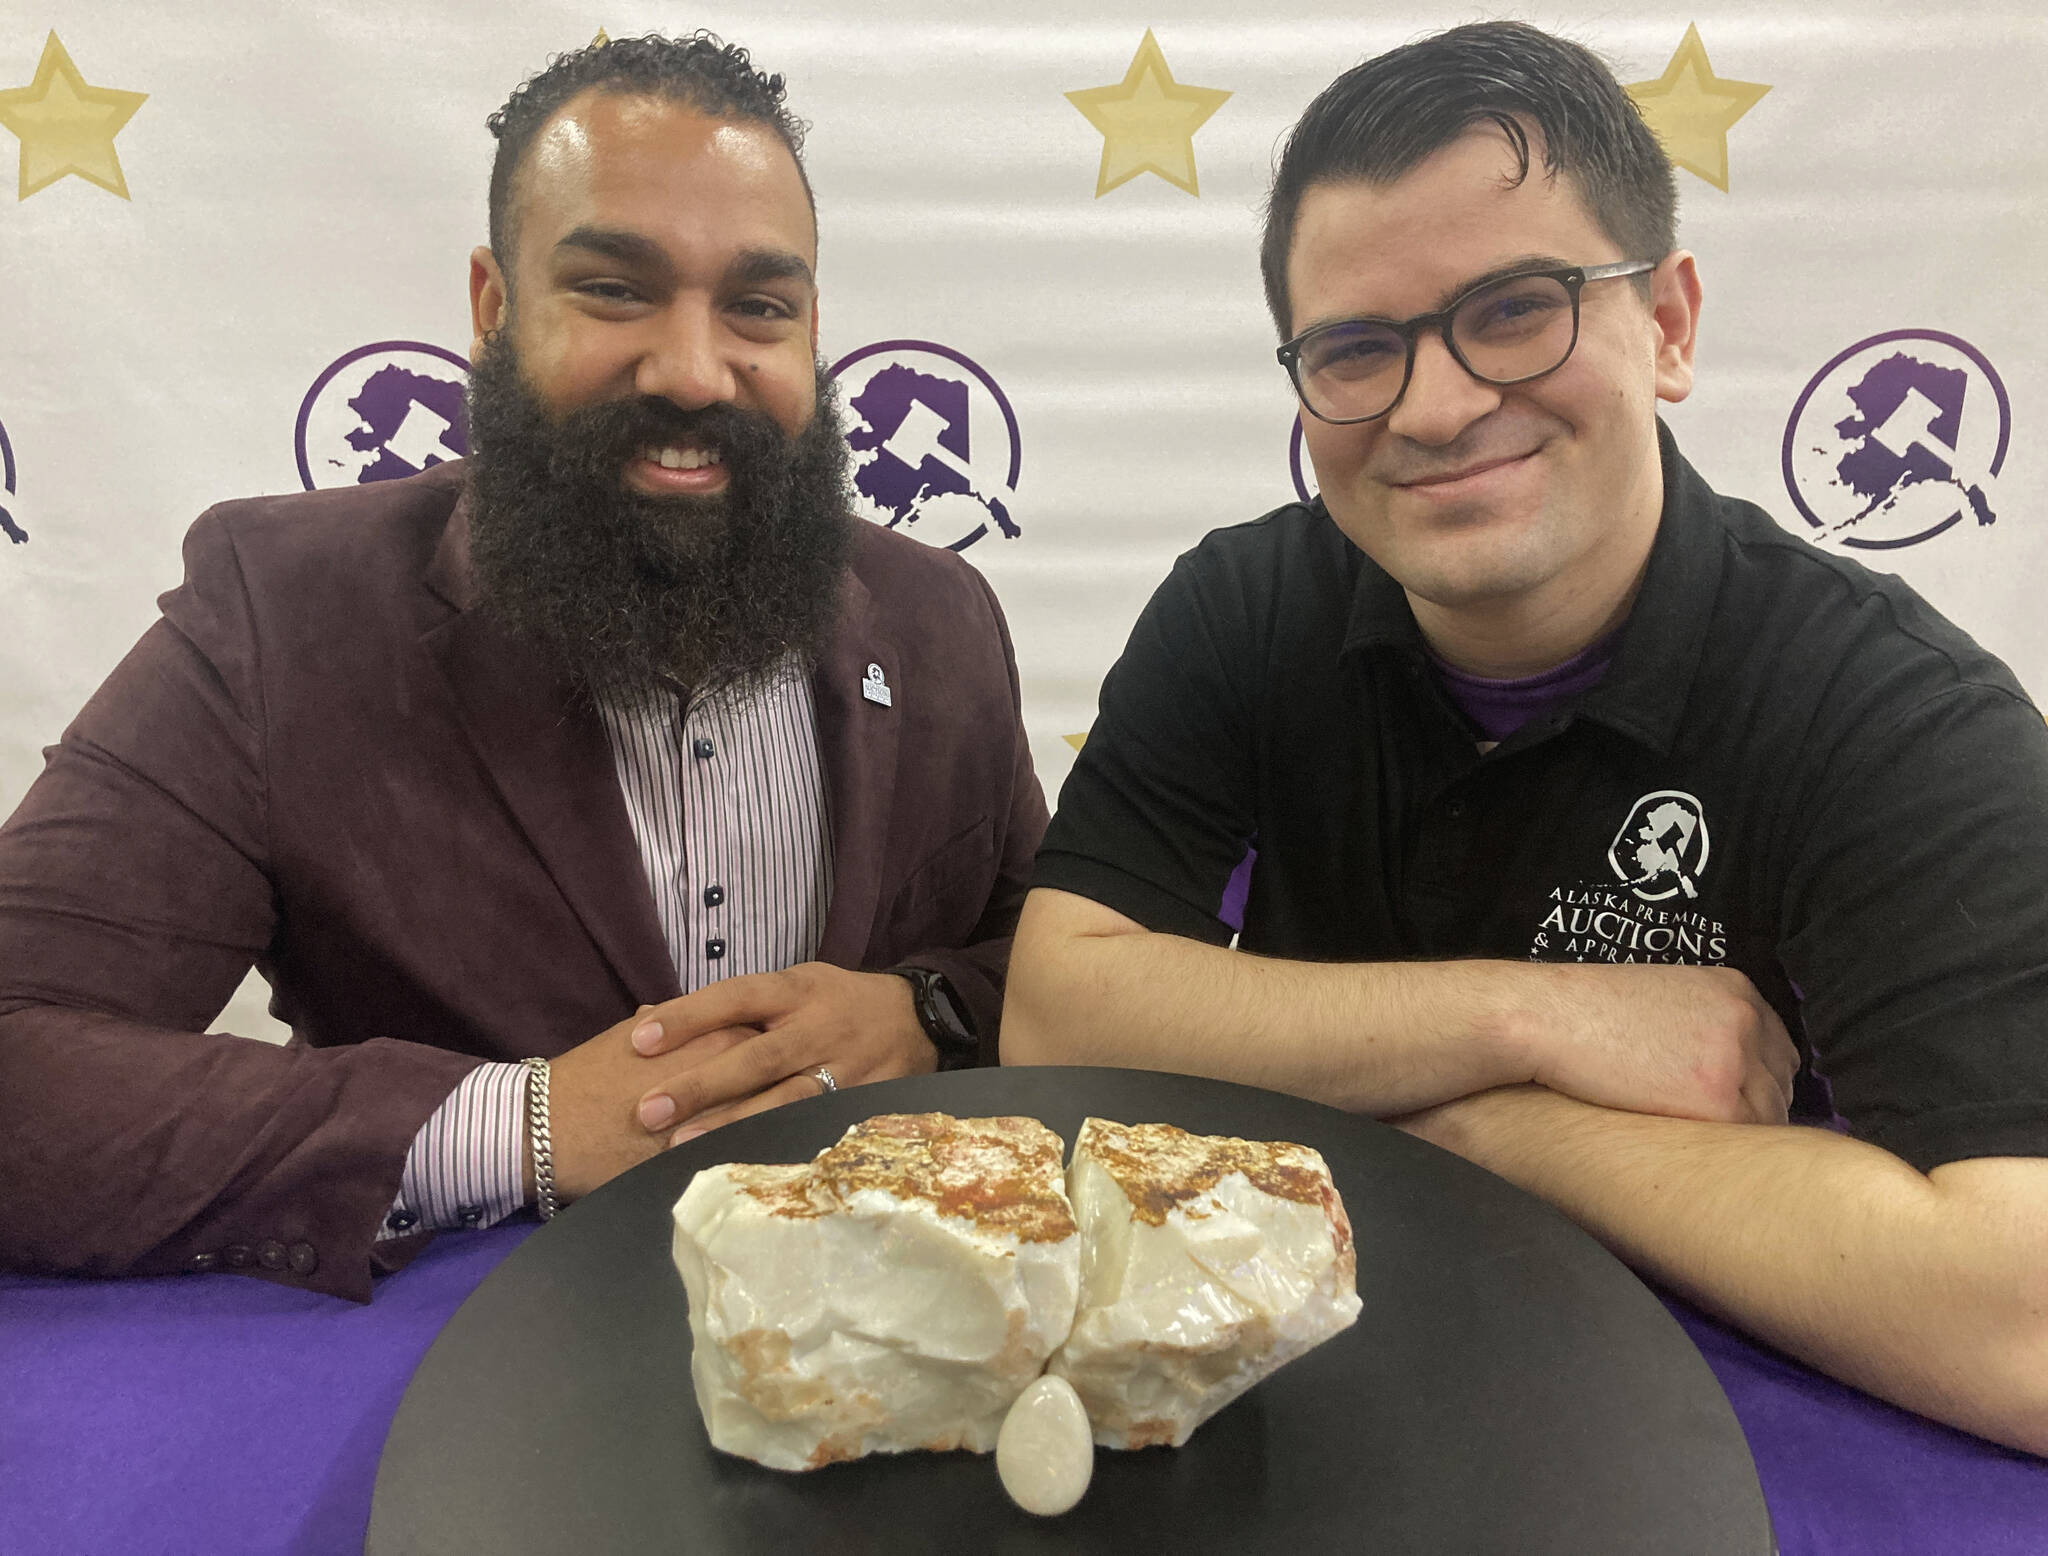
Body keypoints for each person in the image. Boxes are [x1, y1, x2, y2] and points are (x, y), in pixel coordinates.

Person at [1004, 21, 2048, 1455]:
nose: (1434, 407)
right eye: (1358, 349)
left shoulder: (1892, 712)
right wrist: (1536, 1018)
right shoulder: (1242, 606)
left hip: (1696, 1431)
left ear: (1668, 325)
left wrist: (1483, 1123)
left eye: (1516, 308)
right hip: (1287, 1413)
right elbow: (1057, 1012)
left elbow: (2024, 1314)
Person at [0, 33, 1047, 1302]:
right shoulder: (278, 613)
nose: (692, 367)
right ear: (495, 309)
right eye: (615, 290)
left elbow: (1046, 964)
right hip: (463, 1398)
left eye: (756, 308)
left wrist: (924, 1010)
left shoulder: (939, 617)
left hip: (887, 1363)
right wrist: (530, 1126)